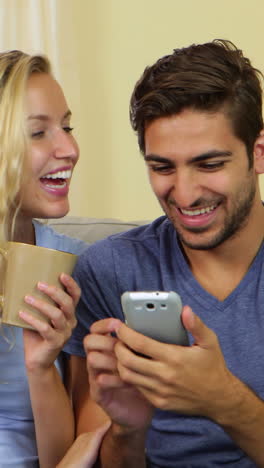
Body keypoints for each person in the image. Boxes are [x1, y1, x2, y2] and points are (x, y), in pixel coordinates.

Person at [64, 39, 264, 467]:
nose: (186, 195)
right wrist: (128, 429)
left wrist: (224, 400)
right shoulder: (110, 269)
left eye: (209, 165)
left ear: (258, 153)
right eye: (162, 167)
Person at [0, 49, 105, 468]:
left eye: (67, 127)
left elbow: (68, 458)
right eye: (39, 132)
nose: (70, 148)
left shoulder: (75, 263)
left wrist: (42, 366)